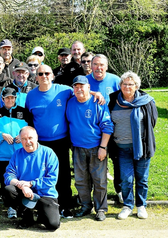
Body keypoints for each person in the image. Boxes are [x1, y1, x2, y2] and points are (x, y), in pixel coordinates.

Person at [25, 65, 105, 219]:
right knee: (41, 174)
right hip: (40, 142)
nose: (44, 76)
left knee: (63, 175)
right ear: (36, 77)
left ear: (52, 75)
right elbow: (29, 118)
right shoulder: (31, 96)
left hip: (60, 140)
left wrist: (96, 93)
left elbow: (81, 92)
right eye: (40, 74)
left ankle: (65, 205)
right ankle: (42, 206)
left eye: (47, 73)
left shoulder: (63, 90)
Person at [108, 71, 157, 220]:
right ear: (120, 85)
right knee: (126, 179)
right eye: (124, 84)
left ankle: (141, 206)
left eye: (131, 84)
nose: (127, 86)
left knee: (142, 179)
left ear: (136, 86)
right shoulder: (113, 100)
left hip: (142, 148)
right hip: (121, 148)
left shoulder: (147, 101)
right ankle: (127, 206)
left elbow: (152, 122)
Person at [66, 76, 114, 221]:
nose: (79, 89)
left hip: (96, 147)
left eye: (82, 86)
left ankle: (101, 209)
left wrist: (103, 147)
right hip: (77, 148)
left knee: (99, 180)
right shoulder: (70, 102)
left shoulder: (97, 103)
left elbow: (107, 126)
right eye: (76, 86)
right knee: (81, 180)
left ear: (88, 87)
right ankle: (86, 206)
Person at [0, 88, 33, 218]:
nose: (10, 100)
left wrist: (22, 136)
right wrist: (1, 135)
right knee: (6, 182)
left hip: (22, 154)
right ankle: (11, 207)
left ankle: (25, 205)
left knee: (23, 180)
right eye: (7, 98)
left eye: (12, 97)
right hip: (4, 156)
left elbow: (31, 131)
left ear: (15, 98)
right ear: (2, 99)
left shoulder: (24, 113)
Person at [4, 126, 60, 231]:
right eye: (24, 139)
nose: (27, 141)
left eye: (30, 138)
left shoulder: (49, 153)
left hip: (45, 194)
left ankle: (42, 214)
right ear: (20, 140)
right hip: (25, 193)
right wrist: (22, 185)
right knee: (9, 190)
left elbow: (52, 179)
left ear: (37, 138)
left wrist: (31, 184)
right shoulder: (17, 154)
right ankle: (27, 215)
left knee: (53, 225)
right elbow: (8, 176)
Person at [86, 54, 122, 201]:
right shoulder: (86, 80)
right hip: (91, 129)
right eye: (95, 64)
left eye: (101, 65)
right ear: (91, 66)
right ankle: (94, 193)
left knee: (117, 159)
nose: (98, 68)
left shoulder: (115, 80)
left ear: (106, 66)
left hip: (113, 127)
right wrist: (93, 93)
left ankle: (120, 191)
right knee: (93, 162)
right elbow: (75, 93)